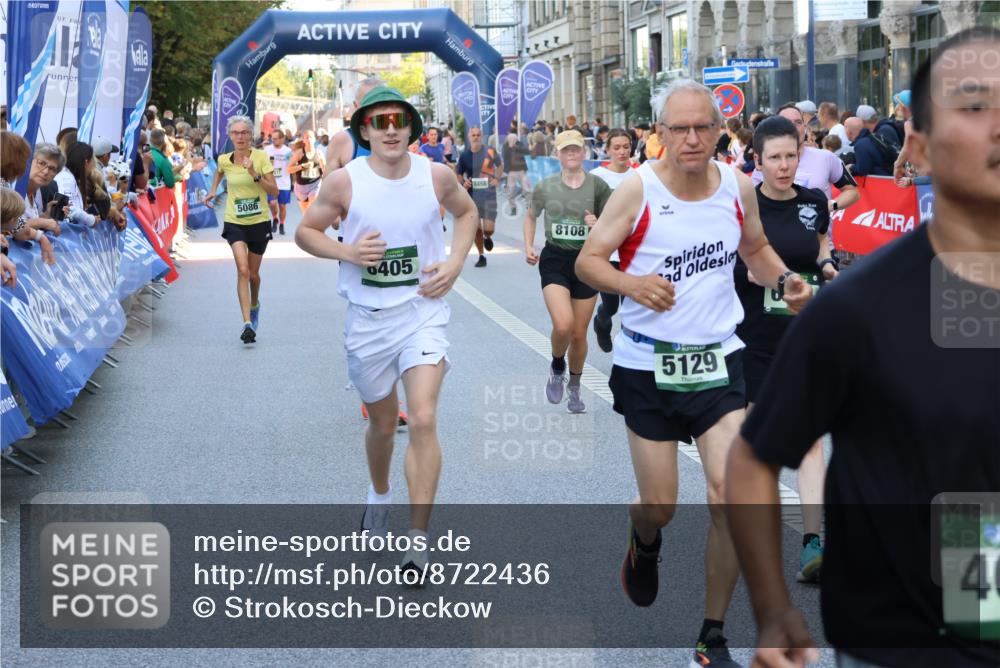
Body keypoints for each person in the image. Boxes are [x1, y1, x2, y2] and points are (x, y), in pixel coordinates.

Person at [726, 26, 1000, 668]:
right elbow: (754, 459)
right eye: (974, 104)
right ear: (919, 149)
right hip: (905, 641)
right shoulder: (861, 308)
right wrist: (773, 611)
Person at [575, 79, 813, 667]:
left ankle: (711, 638)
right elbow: (588, 261)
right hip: (645, 363)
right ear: (660, 133)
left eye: (701, 127)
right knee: (661, 505)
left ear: (718, 130)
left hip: (717, 359)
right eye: (677, 128)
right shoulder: (638, 189)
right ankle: (644, 536)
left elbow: (754, 250)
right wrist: (632, 284)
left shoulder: (736, 186)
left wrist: (784, 281)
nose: (690, 138)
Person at [294, 86, 478, 576]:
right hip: (369, 322)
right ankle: (379, 495)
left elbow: (467, 213)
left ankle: (417, 540)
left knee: (420, 418)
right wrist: (348, 253)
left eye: (399, 120)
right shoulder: (343, 183)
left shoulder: (435, 176)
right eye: (380, 122)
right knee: (381, 425)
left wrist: (455, 262)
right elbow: (305, 233)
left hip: (422, 312)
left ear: (412, 128)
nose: (391, 128)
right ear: (365, 131)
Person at [736, 115, 841, 584]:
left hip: (805, 336)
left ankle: (813, 543)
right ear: (757, 161)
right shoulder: (744, 206)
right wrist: (755, 275)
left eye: (791, 156)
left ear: (802, 156)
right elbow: (730, 261)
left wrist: (827, 264)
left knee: (812, 443)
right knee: (762, 445)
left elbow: (821, 245)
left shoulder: (815, 200)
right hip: (752, 340)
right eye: (774, 158)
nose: (784, 166)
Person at [524, 130, 612, 414]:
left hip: (587, 261)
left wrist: (596, 224)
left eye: (576, 149)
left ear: (583, 153)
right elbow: (530, 215)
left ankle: (574, 386)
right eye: (566, 150)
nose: (572, 153)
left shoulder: (598, 187)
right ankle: (557, 364)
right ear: (557, 154)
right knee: (562, 325)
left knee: (577, 334)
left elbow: (614, 225)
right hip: (555, 259)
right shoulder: (546, 186)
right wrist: (528, 245)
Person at [203, 115, 278, 344]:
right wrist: (213, 191)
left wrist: (254, 174)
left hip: (259, 222)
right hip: (235, 221)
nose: (240, 137)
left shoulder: (262, 157)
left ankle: (255, 305)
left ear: (251, 135)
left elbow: (273, 191)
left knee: (254, 275)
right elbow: (218, 172)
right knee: (243, 270)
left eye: (244, 132)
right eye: (235, 133)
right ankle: (247, 324)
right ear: (230, 136)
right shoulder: (225, 159)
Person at [589, 128, 636, 353]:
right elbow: (586, 207)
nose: (622, 152)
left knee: (631, 305)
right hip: (608, 251)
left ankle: (627, 349)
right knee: (611, 304)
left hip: (633, 250)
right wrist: (591, 219)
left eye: (626, 147)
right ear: (607, 150)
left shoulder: (639, 175)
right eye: (616, 147)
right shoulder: (598, 176)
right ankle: (602, 321)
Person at [457, 126, 503, 268]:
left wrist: (497, 178)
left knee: (489, 229)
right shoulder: (464, 156)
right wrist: (464, 183)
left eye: (478, 135)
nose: (476, 137)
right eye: (473, 135)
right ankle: (481, 255)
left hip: (489, 195)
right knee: (476, 228)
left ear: (481, 136)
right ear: (469, 137)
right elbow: (458, 173)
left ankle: (487, 236)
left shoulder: (490, 151)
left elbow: (500, 165)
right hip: (472, 197)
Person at [852, 104, 898, 176]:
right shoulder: (883, 128)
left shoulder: (883, 131)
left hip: (890, 178)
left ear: (862, 121)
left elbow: (887, 158)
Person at [264, 129, 293, 235]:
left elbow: (291, 166)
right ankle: (275, 218)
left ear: (282, 139)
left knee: (282, 206)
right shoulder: (267, 149)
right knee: (272, 203)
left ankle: (281, 224)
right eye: (272, 139)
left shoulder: (288, 151)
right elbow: (262, 164)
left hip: (284, 182)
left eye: (276, 139)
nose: (274, 141)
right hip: (271, 182)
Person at [288, 130, 324, 213]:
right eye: (306, 137)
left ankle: (315, 224)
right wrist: (302, 166)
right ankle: (311, 224)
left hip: (315, 184)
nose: (309, 139)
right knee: (306, 215)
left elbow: (325, 169)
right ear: (303, 140)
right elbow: (289, 169)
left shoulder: (319, 153)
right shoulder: (299, 153)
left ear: (315, 139)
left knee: (312, 209)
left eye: (311, 137)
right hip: (301, 187)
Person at [501, 132, 530, 216]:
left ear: (516, 139)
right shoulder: (505, 146)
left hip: (521, 171)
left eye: (514, 139)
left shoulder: (520, 145)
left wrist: (515, 146)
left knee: (527, 189)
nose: (513, 140)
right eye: (511, 139)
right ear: (508, 139)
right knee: (510, 192)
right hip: (511, 172)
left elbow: (527, 152)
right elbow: (504, 156)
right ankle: (513, 208)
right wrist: (510, 147)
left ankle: (530, 206)